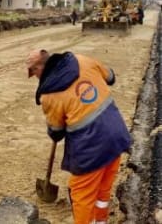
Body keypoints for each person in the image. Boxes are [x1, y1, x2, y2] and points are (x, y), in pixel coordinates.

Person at [26, 49, 131, 224]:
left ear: (40, 67)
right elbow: (111, 77)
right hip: (116, 136)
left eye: (33, 71)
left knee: (81, 194)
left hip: (91, 149)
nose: (33, 76)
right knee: (102, 189)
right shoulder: (82, 60)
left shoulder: (49, 95)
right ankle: (100, 221)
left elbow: (56, 132)